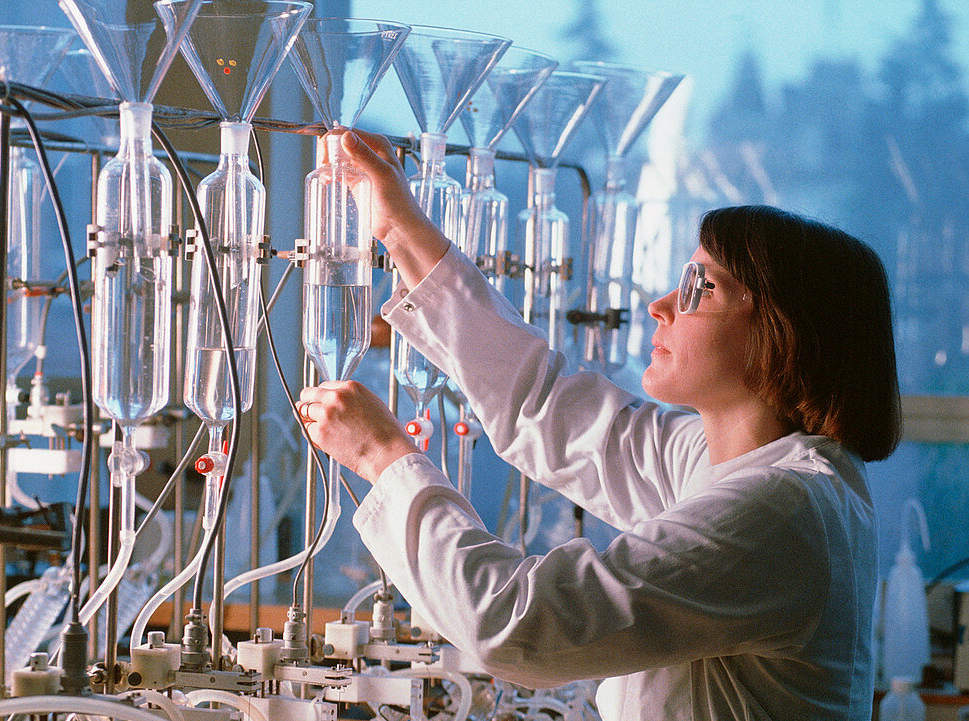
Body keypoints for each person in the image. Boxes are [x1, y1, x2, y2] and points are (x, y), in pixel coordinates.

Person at [295, 129, 901, 721]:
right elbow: (544, 402)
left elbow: (516, 625)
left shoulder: (780, 513)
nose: (659, 306)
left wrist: (383, 455)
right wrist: (397, 226)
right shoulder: (728, 461)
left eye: (701, 287)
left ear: (782, 336)